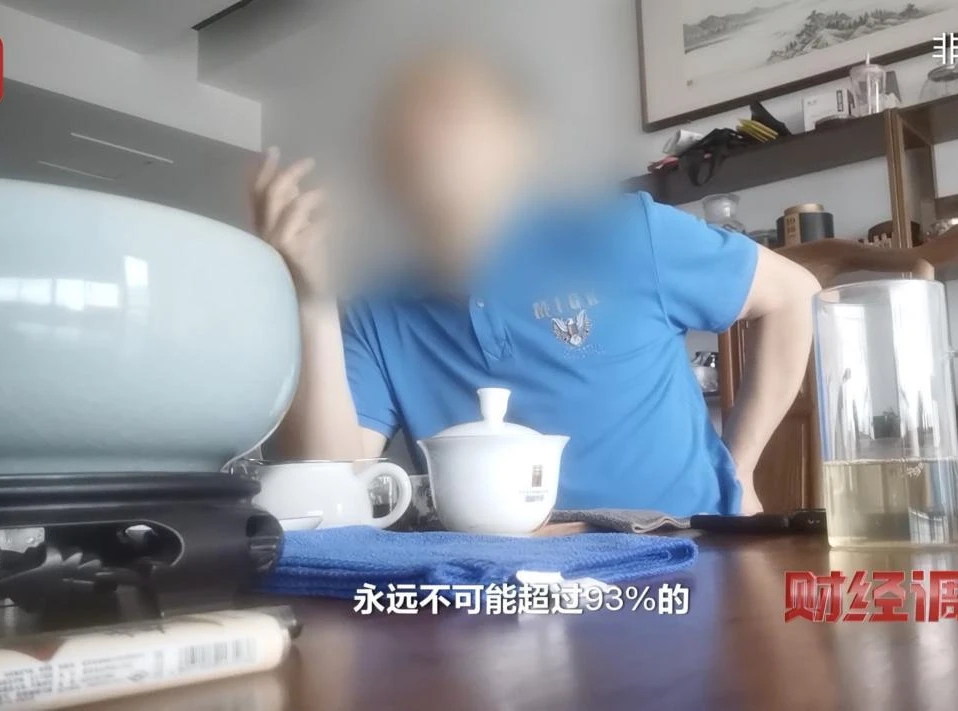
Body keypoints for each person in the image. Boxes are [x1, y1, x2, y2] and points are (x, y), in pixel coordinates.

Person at [249, 51, 819, 517]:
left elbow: (792, 294)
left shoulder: (621, 233)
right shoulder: (381, 309)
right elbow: (334, 489)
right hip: (502, 589)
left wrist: (741, 467)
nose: (438, 173)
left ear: (513, 153)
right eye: (411, 160)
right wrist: (311, 299)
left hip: (691, 558)